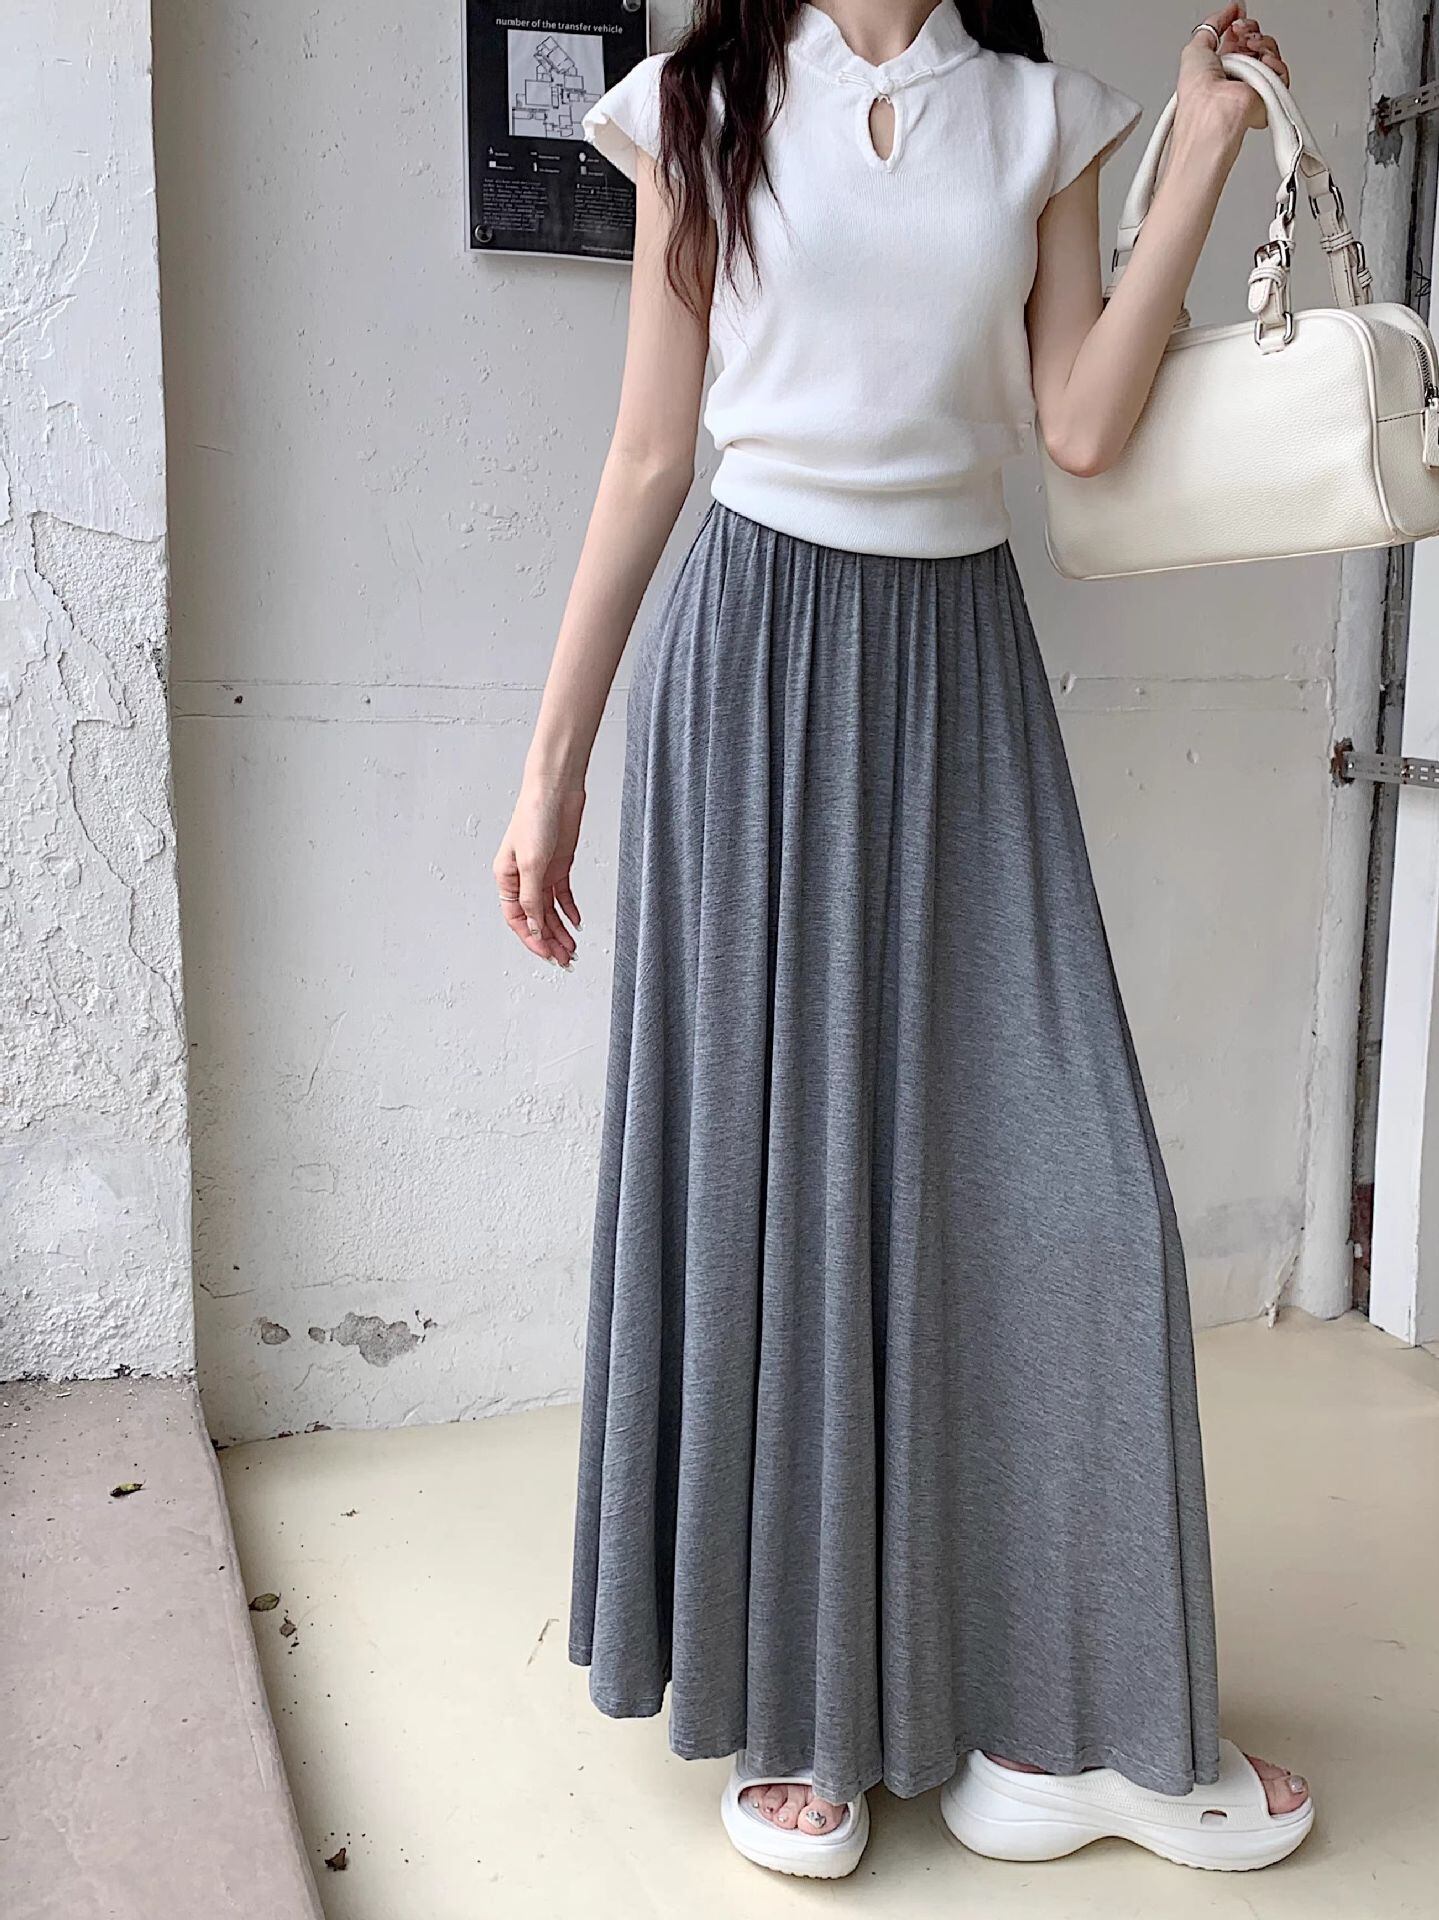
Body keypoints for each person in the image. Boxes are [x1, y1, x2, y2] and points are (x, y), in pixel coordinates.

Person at [494, 0, 1315, 1879]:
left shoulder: (1034, 119)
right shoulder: (701, 105)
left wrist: (1195, 145)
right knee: (780, 1198)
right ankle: (802, 1710)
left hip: (956, 673)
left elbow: (1079, 425)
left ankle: (1069, 1728)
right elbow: (648, 457)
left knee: (1077, 1185)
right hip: (750, 672)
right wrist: (552, 772)